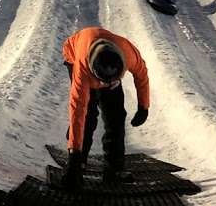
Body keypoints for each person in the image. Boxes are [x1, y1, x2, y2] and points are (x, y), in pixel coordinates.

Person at [60, 27, 150, 189]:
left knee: (115, 116)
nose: (104, 85)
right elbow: (77, 111)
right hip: (75, 53)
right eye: (102, 82)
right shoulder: (83, 70)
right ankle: (78, 163)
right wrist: (74, 154)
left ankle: (114, 169)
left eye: (108, 82)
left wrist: (144, 106)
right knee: (88, 114)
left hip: (105, 64)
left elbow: (142, 74)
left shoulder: (128, 53)